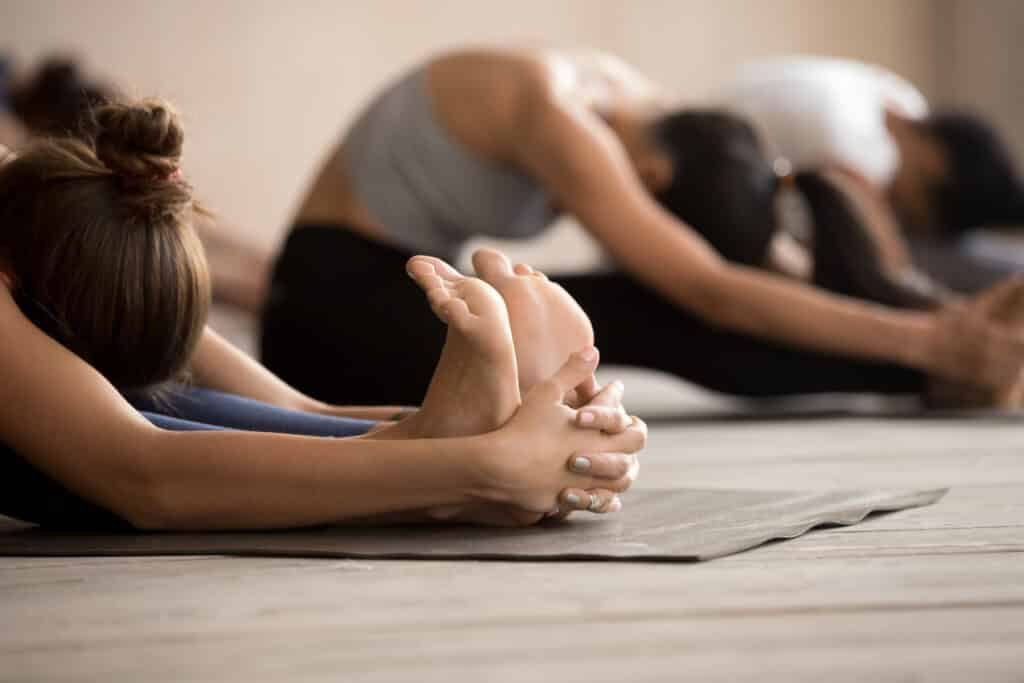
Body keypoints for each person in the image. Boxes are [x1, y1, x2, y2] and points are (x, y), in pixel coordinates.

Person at [0, 98, 645, 530]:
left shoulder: (53, 219)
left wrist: (547, 434)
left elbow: (305, 414)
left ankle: (433, 442)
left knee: (157, 398)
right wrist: (488, 468)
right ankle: (434, 460)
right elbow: (137, 470)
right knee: (88, 449)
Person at [261, 47, 1024, 408]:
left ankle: (947, 366)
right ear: (653, 186)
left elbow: (756, 274)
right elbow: (712, 289)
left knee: (651, 312)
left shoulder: (653, 115)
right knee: (651, 314)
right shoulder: (555, 112)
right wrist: (927, 341)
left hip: (419, 297)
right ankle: (931, 371)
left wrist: (922, 312)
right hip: (328, 318)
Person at [720, 55, 1024, 291]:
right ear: (935, 164)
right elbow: (892, 274)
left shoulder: (900, 100)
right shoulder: (852, 151)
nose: (906, 218)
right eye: (920, 217)